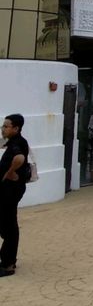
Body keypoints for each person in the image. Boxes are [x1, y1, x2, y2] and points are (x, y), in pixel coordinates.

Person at [0, 114, 30, 277]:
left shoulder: (18, 143)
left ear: (16, 128)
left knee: (9, 225)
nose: (3, 129)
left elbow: (19, 158)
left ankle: (8, 264)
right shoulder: (13, 142)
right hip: (8, 189)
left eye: (6, 126)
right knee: (7, 224)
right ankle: (8, 259)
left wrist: (9, 173)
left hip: (11, 190)